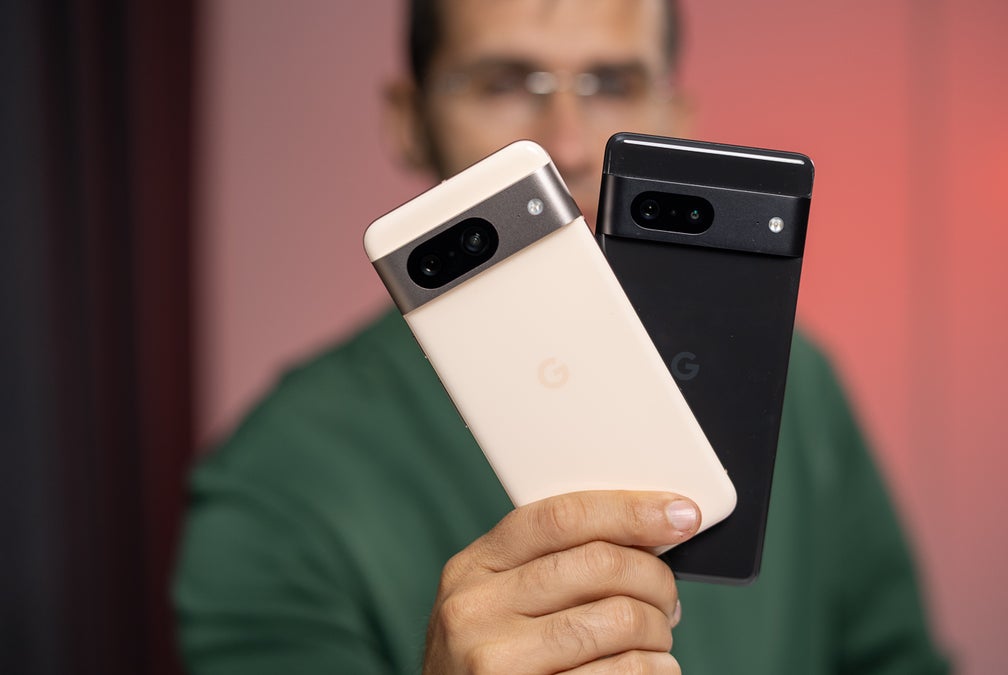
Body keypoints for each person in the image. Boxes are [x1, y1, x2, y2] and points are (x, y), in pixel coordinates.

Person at [174, 1, 951, 673]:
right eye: (504, 83)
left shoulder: (800, 387)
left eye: (613, 83)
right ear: (407, 120)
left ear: (677, 118)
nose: (567, 146)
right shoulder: (276, 475)